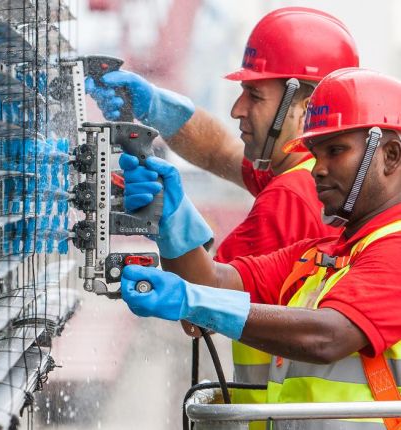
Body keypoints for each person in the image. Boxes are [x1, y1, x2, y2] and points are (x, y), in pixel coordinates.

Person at [86, 7, 359, 421]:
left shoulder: (290, 197)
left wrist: (170, 218)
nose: (237, 109)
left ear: (304, 107)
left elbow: (202, 309)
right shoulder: (307, 174)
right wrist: (155, 105)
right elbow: (221, 152)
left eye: (255, 96)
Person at [120, 68, 401, 430]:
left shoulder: (394, 247)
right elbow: (212, 281)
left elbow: (328, 336)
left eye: (335, 150)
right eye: (316, 153)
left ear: (391, 156)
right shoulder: (322, 256)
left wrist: (195, 302)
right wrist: (172, 221)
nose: (317, 169)